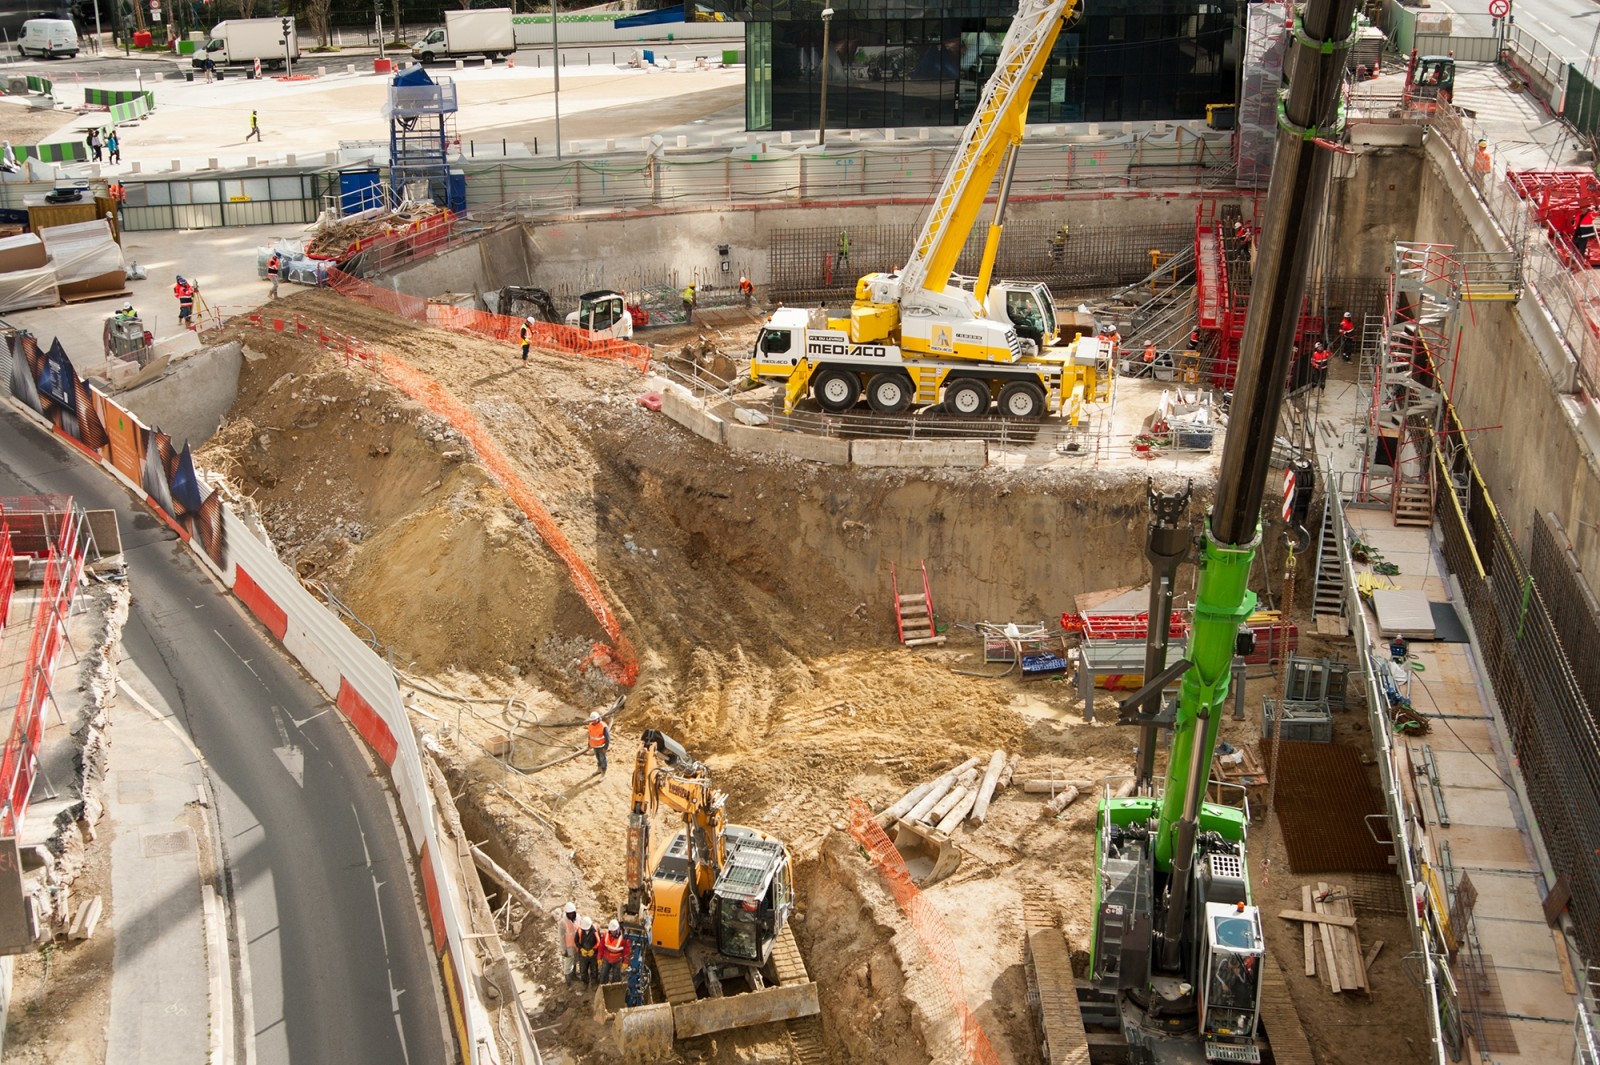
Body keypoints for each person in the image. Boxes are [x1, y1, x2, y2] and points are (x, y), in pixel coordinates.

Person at [558, 903, 582, 985]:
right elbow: (561, 937)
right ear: (567, 913)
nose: (571, 915)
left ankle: (574, 975)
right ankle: (568, 980)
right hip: (569, 946)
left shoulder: (578, 917)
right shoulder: (562, 922)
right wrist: (564, 950)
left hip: (577, 944)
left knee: (575, 960)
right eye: (570, 913)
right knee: (568, 962)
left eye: (573, 913)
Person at [574, 916, 601, 988]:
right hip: (583, 955)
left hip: (593, 955)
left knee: (594, 969)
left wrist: (594, 950)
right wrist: (581, 949)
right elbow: (576, 941)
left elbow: (599, 941)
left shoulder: (595, 929)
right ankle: (585, 983)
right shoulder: (579, 930)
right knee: (583, 970)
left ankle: (594, 983)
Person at [587, 710, 610, 775]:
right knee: (598, 758)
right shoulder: (590, 725)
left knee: (603, 759)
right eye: (592, 720)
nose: (593, 721)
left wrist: (605, 747)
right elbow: (590, 735)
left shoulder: (603, 726)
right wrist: (589, 744)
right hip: (595, 746)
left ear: (598, 718)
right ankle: (599, 769)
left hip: (602, 746)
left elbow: (607, 738)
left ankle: (603, 773)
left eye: (595, 720)